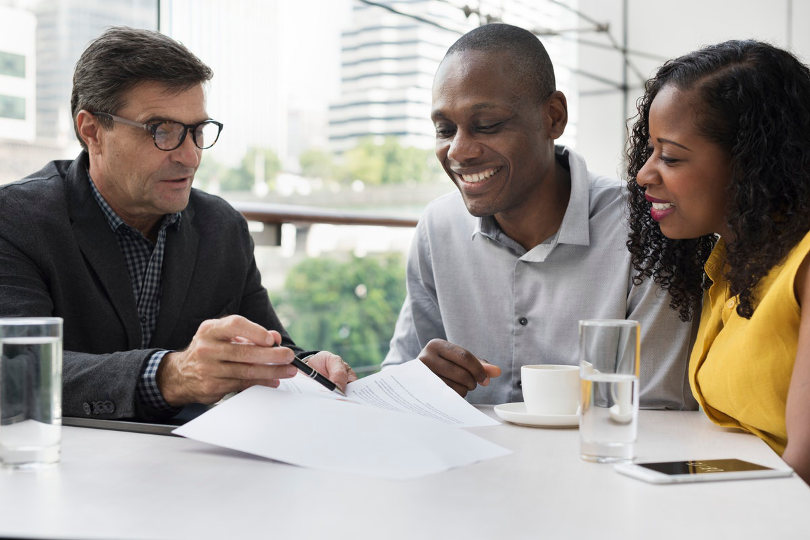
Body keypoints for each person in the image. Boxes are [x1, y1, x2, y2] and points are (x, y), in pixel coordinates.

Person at [0, 27, 354, 422]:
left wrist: (307, 365)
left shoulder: (222, 227)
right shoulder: (18, 218)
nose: (189, 156)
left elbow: (270, 348)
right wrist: (169, 375)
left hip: (190, 469)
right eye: (161, 131)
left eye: (197, 131)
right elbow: (14, 368)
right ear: (92, 131)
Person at [383, 23, 697, 410]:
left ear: (553, 117)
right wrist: (418, 384)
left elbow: (657, 414)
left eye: (487, 126)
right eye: (445, 129)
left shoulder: (648, 224)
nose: (459, 152)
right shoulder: (438, 228)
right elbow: (398, 383)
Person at [626, 39, 810, 483]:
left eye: (669, 157)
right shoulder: (728, 262)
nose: (643, 174)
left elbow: (803, 467)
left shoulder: (802, 267)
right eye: (649, 151)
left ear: (752, 164)